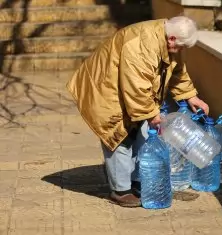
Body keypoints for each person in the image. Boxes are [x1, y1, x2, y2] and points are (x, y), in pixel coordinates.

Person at [66, 16, 209, 207]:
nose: (180, 51)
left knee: (141, 133)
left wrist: (190, 95)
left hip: (127, 88)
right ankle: (120, 191)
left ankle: (137, 182)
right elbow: (136, 85)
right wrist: (150, 113)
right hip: (105, 88)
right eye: (180, 46)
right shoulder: (141, 44)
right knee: (119, 135)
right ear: (172, 38)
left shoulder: (168, 39)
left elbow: (176, 71)